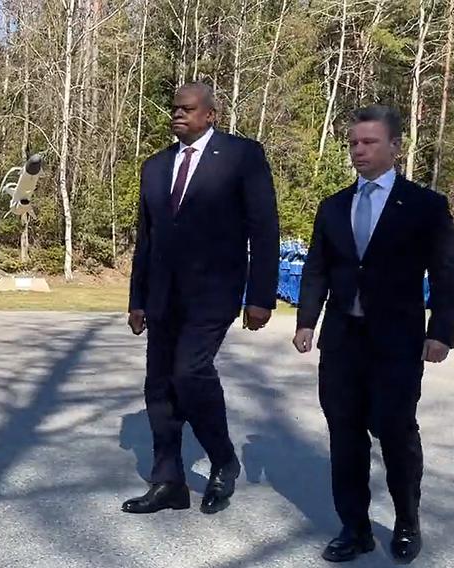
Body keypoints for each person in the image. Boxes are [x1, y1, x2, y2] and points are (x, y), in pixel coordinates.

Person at [293, 105, 454, 564]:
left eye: (368, 142)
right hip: (342, 341)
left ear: (394, 146)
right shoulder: (334, 206)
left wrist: (441, 330)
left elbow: (446, 274)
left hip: (396, 343)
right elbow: (317, 269)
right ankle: (355, 527)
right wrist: (307, 321)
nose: (358, 150)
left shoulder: (425, 206)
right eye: (352, 142)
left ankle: (407, 521)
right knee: (344, 436)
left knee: (396, 432)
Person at [122, 82, 279, 516]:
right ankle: (168, 480)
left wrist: (261, 295)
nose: (178, 115)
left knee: (190, 372)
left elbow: (264, 229)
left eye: (188, 109)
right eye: (174, 109)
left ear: (210, 114)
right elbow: (147, 239)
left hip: (213, 291)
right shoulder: (155, 166)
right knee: (159, 385)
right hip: (161, 295)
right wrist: (137, 298)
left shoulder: (241, 156)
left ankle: (223, 460)